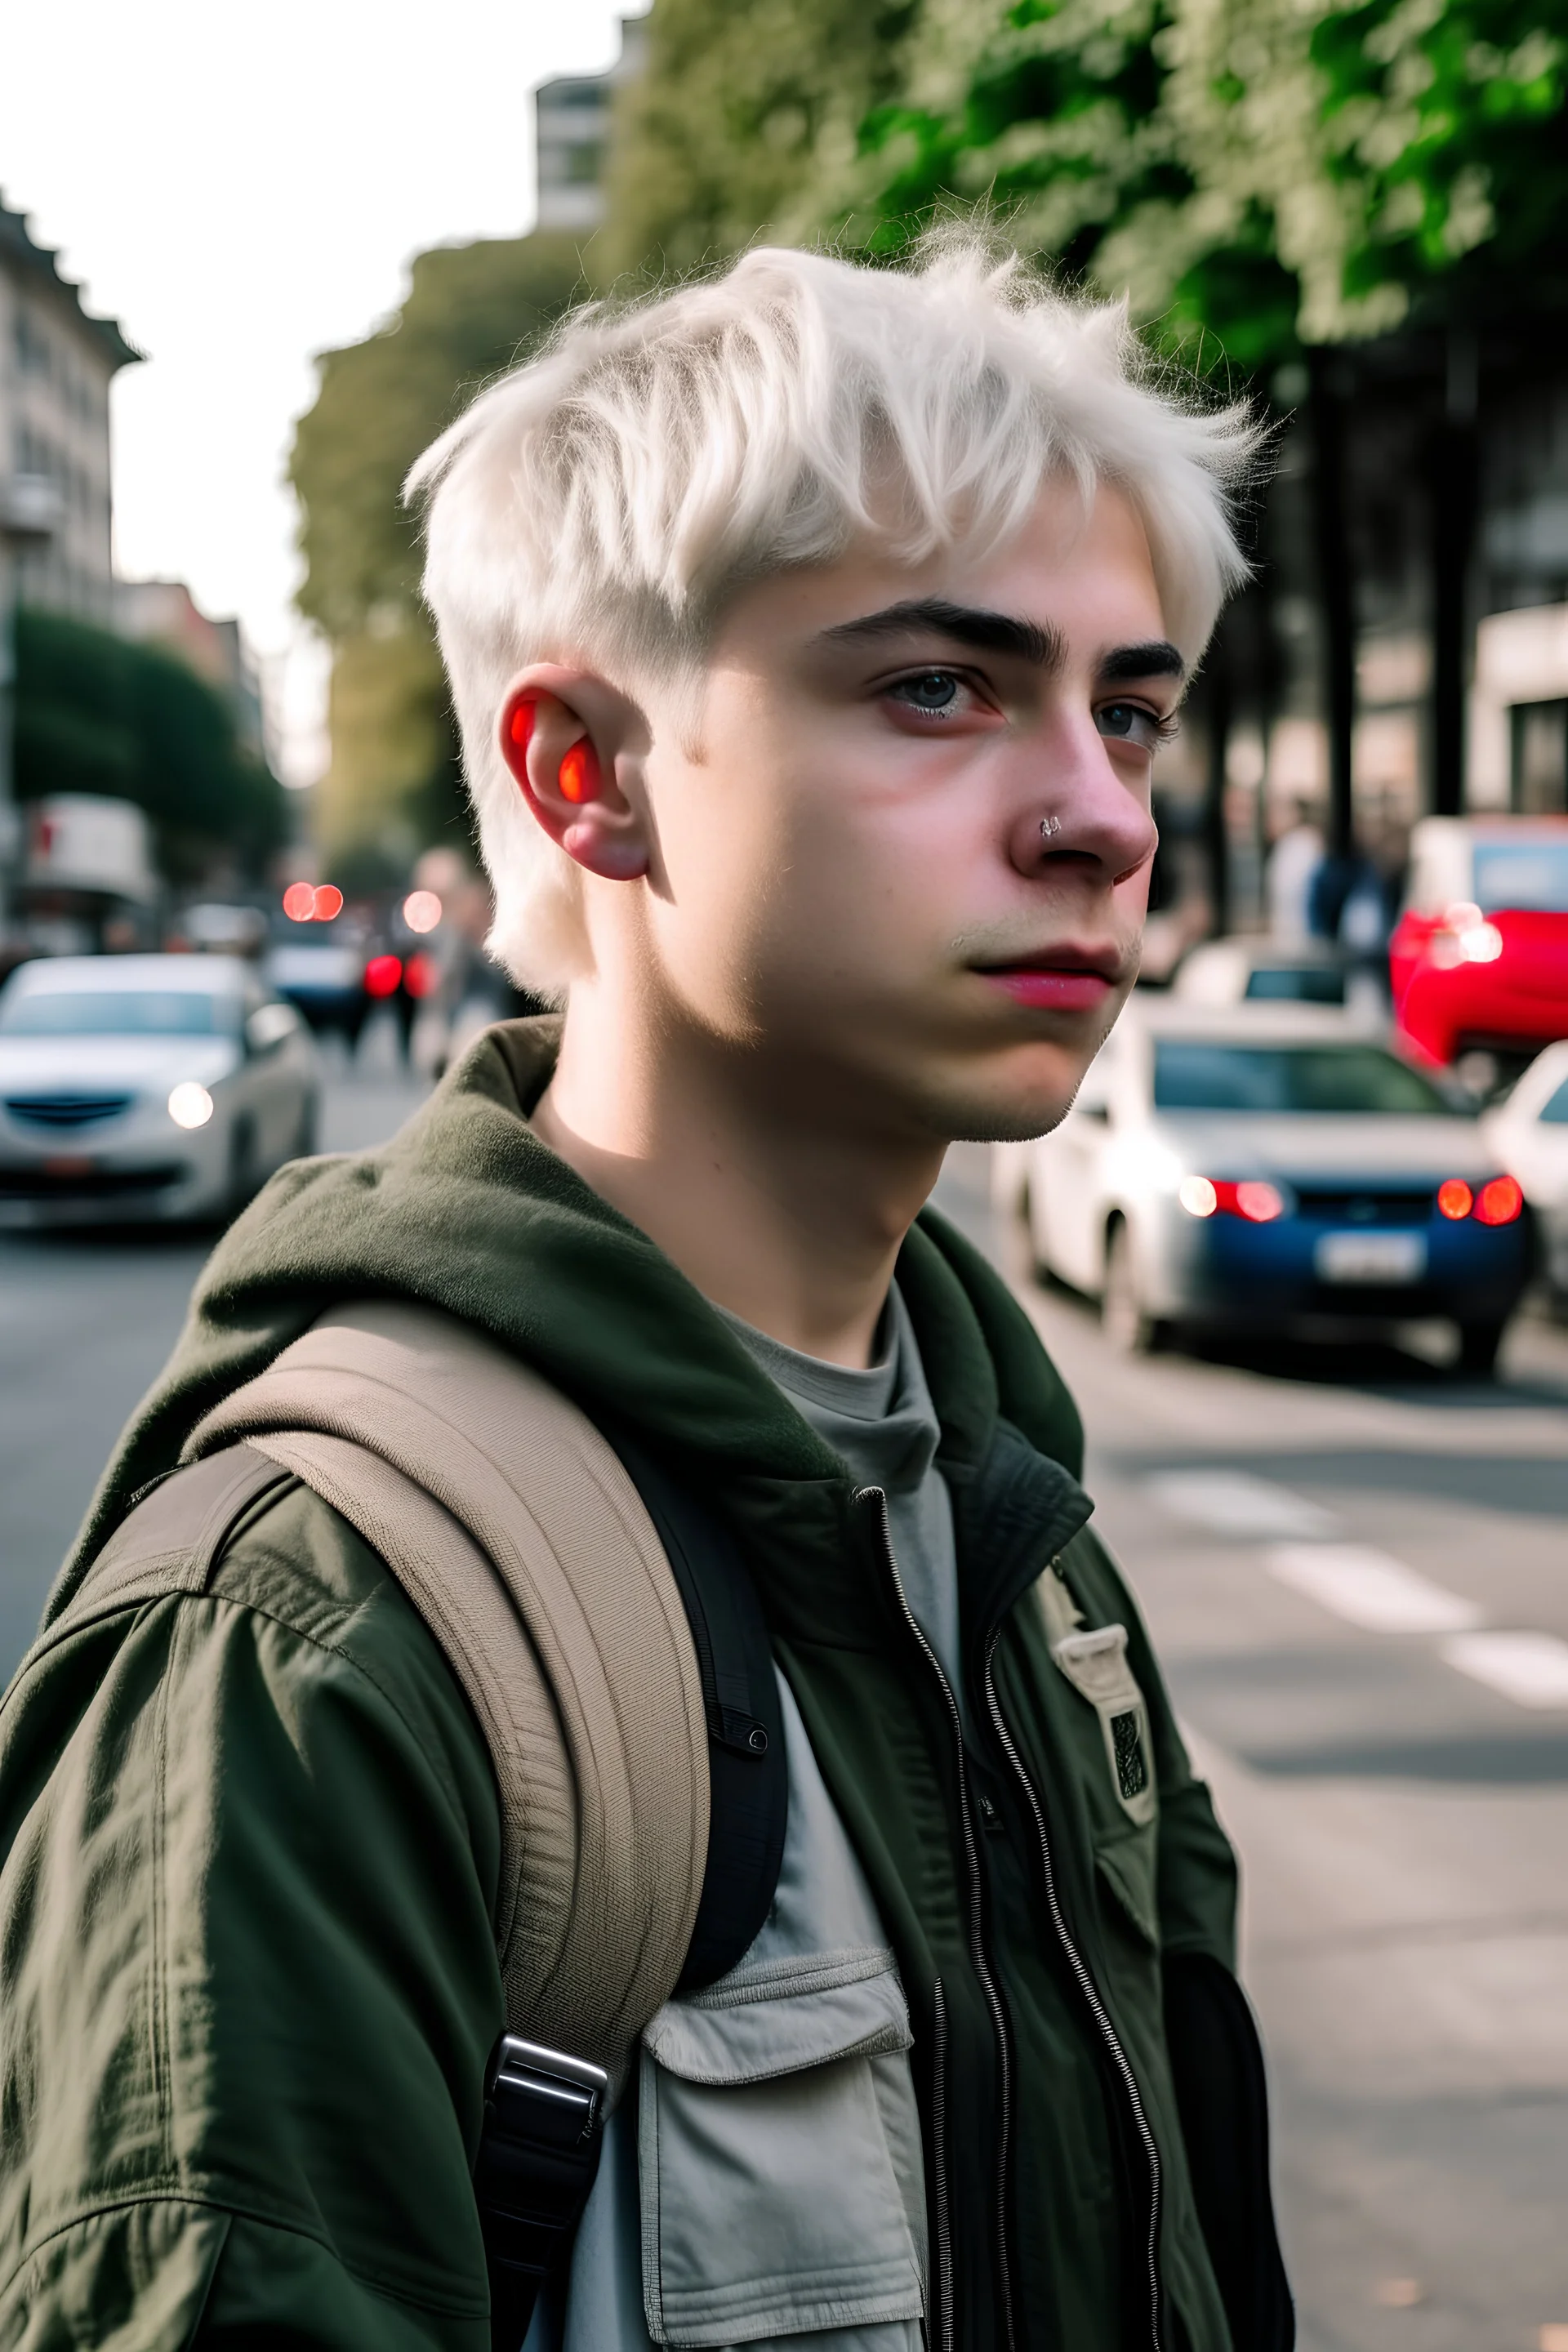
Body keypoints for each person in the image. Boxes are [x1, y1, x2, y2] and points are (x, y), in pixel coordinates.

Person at [0, 237, 1288, 2350]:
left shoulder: (1005, 1525)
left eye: (1128, 707)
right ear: (586, 773)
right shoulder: (311, 1635)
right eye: (940, 689)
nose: (1098, 815)